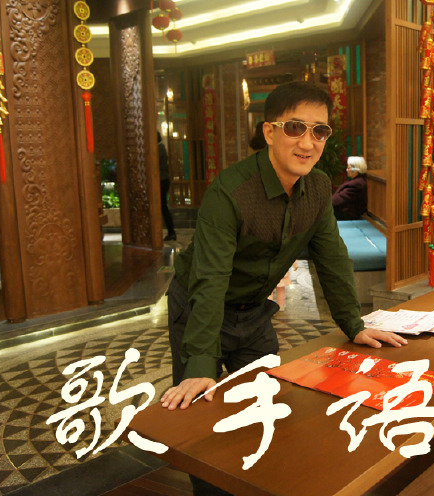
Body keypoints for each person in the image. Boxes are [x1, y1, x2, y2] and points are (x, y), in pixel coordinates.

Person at [162, 81, 407, 493]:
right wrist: (202, 365)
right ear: (269, 132)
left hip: (254, 313)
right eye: (295, 128)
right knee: (200, 417)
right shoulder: (230, 192)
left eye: (319, 131)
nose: (307, 143)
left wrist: (354, 324)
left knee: (269, 404)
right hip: (199, 309)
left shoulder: (317, 187)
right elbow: (210, 280)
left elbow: (332, 257)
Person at [332, 156, 368, 220]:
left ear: (355, 170)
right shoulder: (356, 181)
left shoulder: (357, 184)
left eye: (348, 168)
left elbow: (338, 200)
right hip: (344, 212)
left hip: (348, 215)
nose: (346, 170)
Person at [158, 131, 177, 241]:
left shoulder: (159, 148)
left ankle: (171, 232)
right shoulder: (160, 147)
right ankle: (171, 232)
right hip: (162, 180)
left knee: (163, 206)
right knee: (163, 206)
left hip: (161, 180)